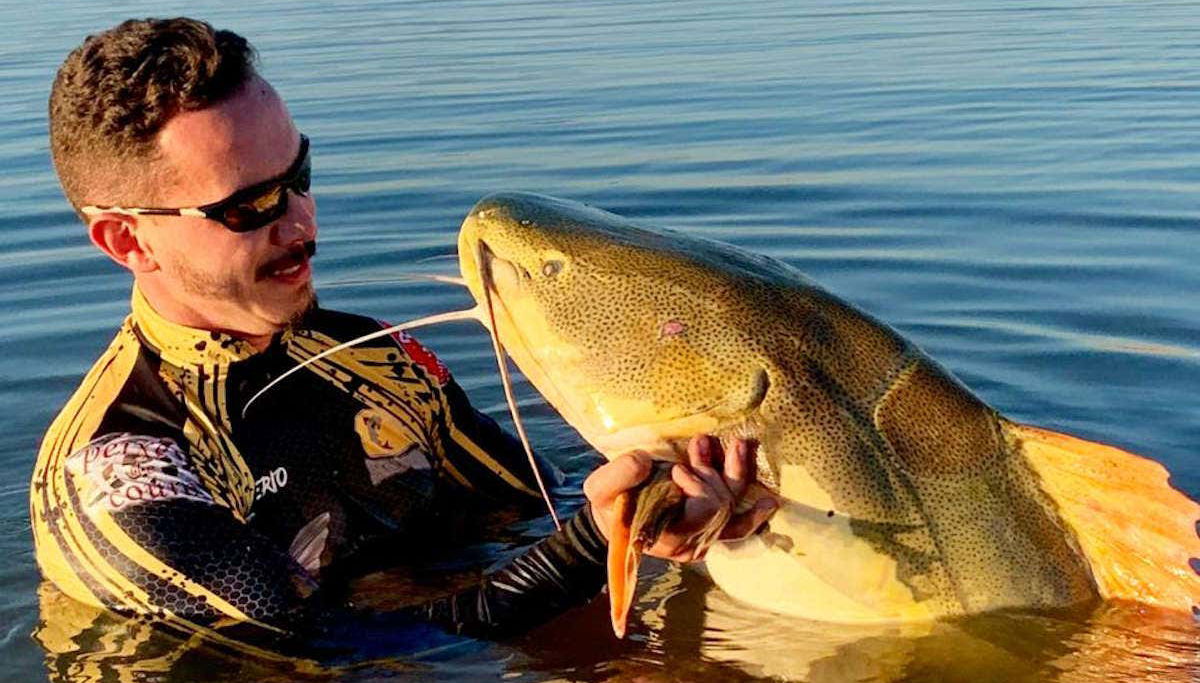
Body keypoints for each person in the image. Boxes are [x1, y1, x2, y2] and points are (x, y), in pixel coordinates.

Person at [31, 17, 777, 654]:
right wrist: (596, 542)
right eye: (249, 206)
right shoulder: (118, 469)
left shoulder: (370, 356)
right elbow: (335, 648)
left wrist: (666, 499)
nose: (302, 222)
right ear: (128, 242)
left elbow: (529, 504)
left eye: (299, 172)